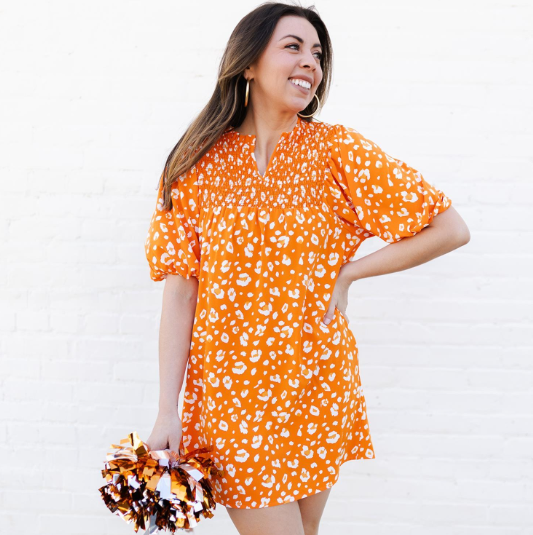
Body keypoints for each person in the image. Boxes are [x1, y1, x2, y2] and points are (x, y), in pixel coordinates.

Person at [143, 2, 470, 534]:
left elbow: (449, 228)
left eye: (317, 54)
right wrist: (167, 409)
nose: (310, 63)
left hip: (316, 386)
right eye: (292, 47)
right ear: (249, 63)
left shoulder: (336, 151)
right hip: (232, 399)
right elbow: (180, 293)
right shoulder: (195, 163)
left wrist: (350, 272)